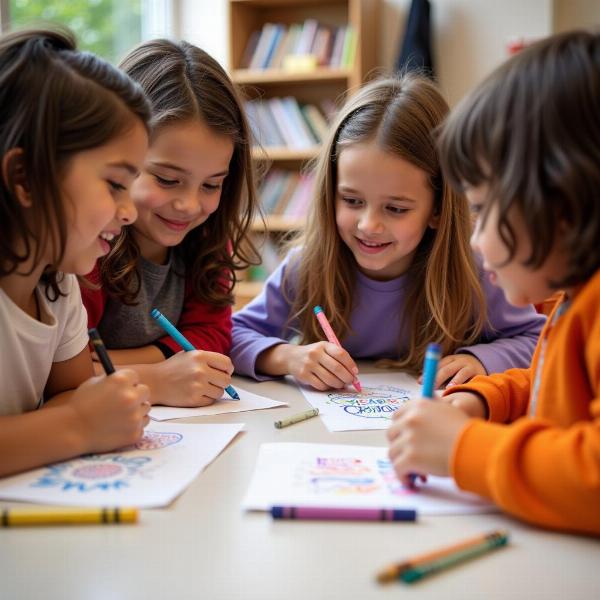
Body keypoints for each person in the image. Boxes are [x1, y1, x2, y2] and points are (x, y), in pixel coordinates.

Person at [388, 31, 600, 535]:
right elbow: (558, 388)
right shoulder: (574, 302)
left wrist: (464, 449)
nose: (476, 240)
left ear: (561, 204)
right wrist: (487, 399)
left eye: (481, 211)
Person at [231, 74, 545, 391]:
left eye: (395, 209)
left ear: (437, 209)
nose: (369, 225)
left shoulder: (476, 270)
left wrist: (481, 361)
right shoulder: (307, 267)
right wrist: (287, 357)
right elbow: (232, 335)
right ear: (330, 194)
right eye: (352, 201)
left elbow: (541, 340)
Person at [0, 27, 151, 477]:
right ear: (25, 177)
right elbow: (75, 411)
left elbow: (71, 391)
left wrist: (88, 411)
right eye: (115, 184)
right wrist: (80, 425)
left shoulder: (58, 285)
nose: (129, 213)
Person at [82, 40, 260, 407]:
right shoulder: (85, 245)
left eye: (211, 184)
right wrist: (158, 375)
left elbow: (212, 335)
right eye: (166, 179)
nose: (189, 205)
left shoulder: (208, 237)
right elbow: (67, 368)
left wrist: (118, 364)